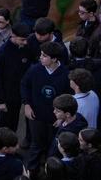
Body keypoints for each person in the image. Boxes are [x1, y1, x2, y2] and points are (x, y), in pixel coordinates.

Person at [20, 41, 71, 172]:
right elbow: (25, 85)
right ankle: (31, 172)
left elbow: (69, 98)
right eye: (41, 54)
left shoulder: (66, 74)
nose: (40, 57)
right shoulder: (34, 69)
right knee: (36, 145)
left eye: (44, 56)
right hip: (36, 116)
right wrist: (26, 105)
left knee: (52, 147)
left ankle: (49, 173)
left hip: (55, 120)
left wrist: (62, 118)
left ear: (54, 59)